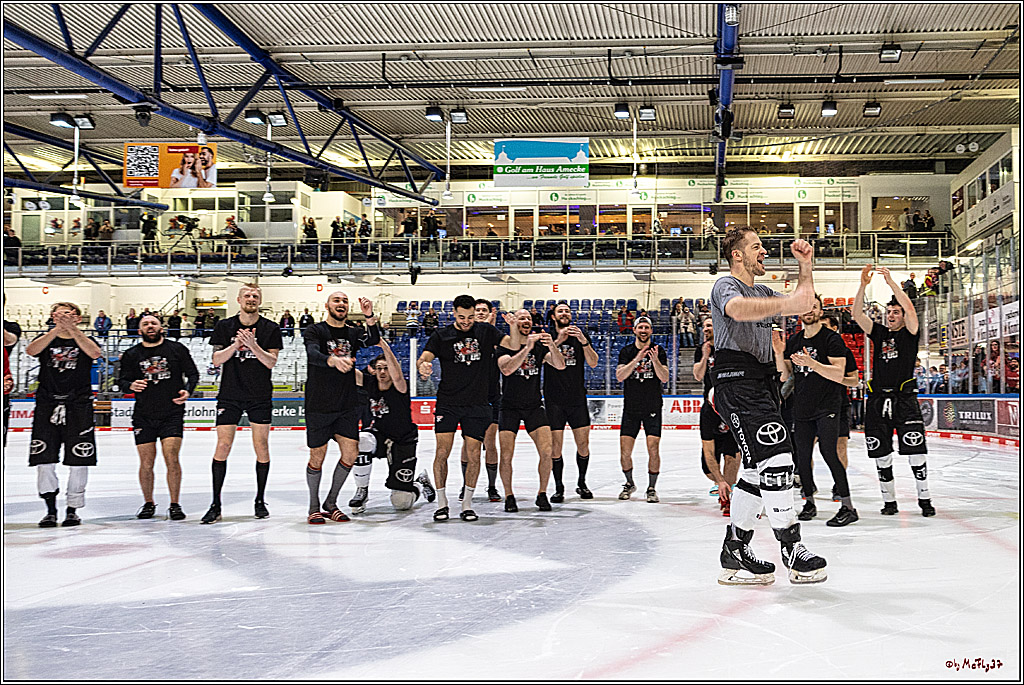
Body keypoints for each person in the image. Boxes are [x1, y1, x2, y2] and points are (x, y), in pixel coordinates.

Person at [709, 227, 827, 585]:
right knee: (778, 460)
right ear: (737, 255)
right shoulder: (725, 286)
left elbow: (805, 303)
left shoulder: (762, 291)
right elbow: (739, 311)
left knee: (757, 469)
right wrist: (786, 303)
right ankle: (791, 547)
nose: (764, 251)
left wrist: (805, 266)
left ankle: (735, 549)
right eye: (756, 246)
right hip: (735, 380)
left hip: (762, 384)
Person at [852, 264, 935, 518]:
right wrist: (863, 285)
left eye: (895, 312)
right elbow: (857, 315)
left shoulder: (910, 333)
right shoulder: (880, 334)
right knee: (881, 454)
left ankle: (925, 499)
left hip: (905, 398)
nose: (891, 315)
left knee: (916, 452)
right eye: (888, 312)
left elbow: (910, 308)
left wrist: (890, 283)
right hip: (877, 399)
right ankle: (889, 501)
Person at [416, 294, 507, 522]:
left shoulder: (485, 332)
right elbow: (425, 357)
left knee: (474, 454)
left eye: (470, 317)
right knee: (442, 453)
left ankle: (467, 504)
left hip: (477, 403)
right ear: (454, 313)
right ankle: (442, 503)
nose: (466, 321)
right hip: (448, 402)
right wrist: (423, 365)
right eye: (461, 317)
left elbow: (511, 344)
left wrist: (516, 328)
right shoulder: (442, 335)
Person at [201, 284, 283, 524]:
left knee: (262, 446)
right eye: (247, 295)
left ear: (260, 300)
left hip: (259, 395)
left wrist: (253, 344)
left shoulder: (270, 328)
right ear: (238, 299)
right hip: (230, 393)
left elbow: (271, 362)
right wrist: (236, 344)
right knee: (223, 445)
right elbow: (216, 359)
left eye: (255, 296)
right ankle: (215, 503)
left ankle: (259, 500)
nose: (251, 299)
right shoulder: (224, 326)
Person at [777, 295, 858, 527]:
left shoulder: (831, 339)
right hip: (802, 406)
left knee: (829, 452)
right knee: (801, 457)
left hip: (828, 405)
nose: (809, 310)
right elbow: (786, 375)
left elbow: (837, 373)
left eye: (814, 306)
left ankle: (848, 506)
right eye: (805, 306)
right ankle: (809, 503)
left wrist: (812, 363)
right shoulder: (794, 340)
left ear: (821, 311)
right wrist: (777, 352)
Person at [301, 291, 380, 524]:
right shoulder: (315, 330)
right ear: (327, 305)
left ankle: (331, 502)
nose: (341, 304)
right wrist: (332, 360)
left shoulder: (353, 332)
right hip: (319, 403)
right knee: (318, 456)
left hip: (346, 403)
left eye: (345, 301)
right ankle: (313, 506)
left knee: (351, 452)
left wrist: (369, 316)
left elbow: (374, 339)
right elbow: (312, 353)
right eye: (337, 300)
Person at [25, 302, 103, 527]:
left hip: (78, 405)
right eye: (59, 313)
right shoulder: (46, 338)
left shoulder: (86, 339)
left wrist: (73, 331)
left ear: (78, 318)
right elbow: (32, 351)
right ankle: (49, 508)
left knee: (79, 458)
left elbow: (94, 353)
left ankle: (72, 509)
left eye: (69, 314)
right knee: (44, 457)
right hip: (47, 404)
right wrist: (56, 330)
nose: (64, 317)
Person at [118, 315, 198, 521]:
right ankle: (148, 503)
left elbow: (193, 374)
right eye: (145, 324)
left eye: (153, 323)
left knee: (171, 457)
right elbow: (122, 381)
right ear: (139, 330)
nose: (150, 326)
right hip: (143, 414)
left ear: (161, 327)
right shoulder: (131, 354)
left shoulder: (177, 349)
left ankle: (174, 504)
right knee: (146, 462)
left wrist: (188, 391)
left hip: (171, 412)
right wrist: (130, 386)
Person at [352, 338, 436, 515]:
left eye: (386, 368)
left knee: (401, 502)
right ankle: (362, 491)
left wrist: (383, 345)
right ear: (373, 370)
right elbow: (348, 372)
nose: (383, 372)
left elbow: (397, 374)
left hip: (402, 439)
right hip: (379, 435)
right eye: (379, 368)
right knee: (361, 440)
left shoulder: (400, 385)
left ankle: (420, 482)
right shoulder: (370, 383)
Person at [496, 310, 566, 512]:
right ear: (514, 322)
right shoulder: (504, 346)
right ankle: (509, 496)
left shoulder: (539, 348)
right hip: (509, 406)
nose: (526, 321)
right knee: (507, 455)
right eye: (522, 318)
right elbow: (507, 369)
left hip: (533, 405)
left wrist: (552, 344)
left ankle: (542, 493)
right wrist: (527, 348)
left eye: (528, 318)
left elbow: (560, 365)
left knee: (547, 451)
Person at [546, 301, 599, 501]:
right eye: (560, 311)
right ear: (554, 316)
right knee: (555, 447)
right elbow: (543, 357)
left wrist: (584, 341)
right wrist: (558, 341)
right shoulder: (548, 337)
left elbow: (593, 362)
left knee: (583, 444)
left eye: (567, 311)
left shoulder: (580, 337)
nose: (565, 313)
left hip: (577, 398)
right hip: (554, 399)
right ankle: (559, 487)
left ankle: (582, 483)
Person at [615, 316, 669, 503]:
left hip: (652, 407)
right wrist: (637, 358)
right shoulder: (626, 351)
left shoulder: (658, 350)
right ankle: (629, 483)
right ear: (635, 330)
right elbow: (620, 376)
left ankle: (652, 487)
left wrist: (654, 361)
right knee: (625, 451)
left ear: (651, 331)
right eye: (640, 327)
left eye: (647, 327)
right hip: (631, 408)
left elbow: (664, 378)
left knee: (653, 449)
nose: (643, 330)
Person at [457, 299, 505, 503]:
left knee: (490, 441)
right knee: (468, 443)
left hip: (492, 395)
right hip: (467, 397)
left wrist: (491, 328)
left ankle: (492, 486)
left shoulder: (494, 338)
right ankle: (465, 484)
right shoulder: (462, 338)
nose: (481, 313)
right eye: (477, 311)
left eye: (484, 310)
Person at [693, 317, 740, 517]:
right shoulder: (702, 349)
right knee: (708, 465)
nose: (706, 329)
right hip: (711, 407)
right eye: (704, 327)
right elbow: (697, 375)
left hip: (731, 406)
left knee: (733, 456)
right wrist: (704, 356)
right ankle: (721, 483)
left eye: (710, 326)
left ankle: (727, 497)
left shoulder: (728, 348)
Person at [822, 313, 861, 502]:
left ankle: (839, 485)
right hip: (814, 404)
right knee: (804, 447)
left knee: (840, 447)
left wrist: (839, 378)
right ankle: (806, 483)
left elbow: (855, 380)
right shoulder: (809, 350)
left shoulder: (844, 352)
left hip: (838, 403)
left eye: (826, 326)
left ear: (835, 329)